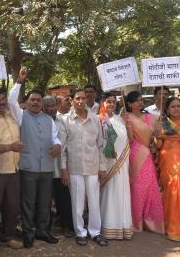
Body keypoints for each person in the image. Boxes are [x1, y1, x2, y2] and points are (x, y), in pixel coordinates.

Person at [8, 68, 61, 248]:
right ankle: (28, 232)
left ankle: (42, 231)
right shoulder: (21, 116)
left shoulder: (49, 120)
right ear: (27, 102)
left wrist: (58, 145)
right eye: (33, 100)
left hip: (46, 167)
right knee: (28, 203)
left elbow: (56, 138)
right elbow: (10, 100)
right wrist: (19, 81)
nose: (36, 103)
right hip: (28, 167)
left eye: (38, 100)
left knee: (45, 202)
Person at [59, 88, 108, 247]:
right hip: (74, 168)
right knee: (77, 203)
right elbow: (62, 147)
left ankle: (95, 232)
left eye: (83, 98)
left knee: (94, 202)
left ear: (86, 100)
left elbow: (100, 145)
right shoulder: (66, 120)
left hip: (93, 167)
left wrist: (102, 167)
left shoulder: (95, 119)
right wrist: (63, 168)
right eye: (77, 98)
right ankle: (80, 232)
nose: (81, 101)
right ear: (72, 100)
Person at [0, 88, 24, 250]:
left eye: (3, 98)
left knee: (12, 207)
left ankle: (7, 237)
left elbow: (14, 100)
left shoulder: (11, 115)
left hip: (14, 170)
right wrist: (10, 146)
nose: (2, 102)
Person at [123, 91, 164, 234]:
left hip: (147, 154)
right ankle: (136, 222)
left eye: (141, 100)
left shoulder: (151, 118)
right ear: (129, 103)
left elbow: (156, 140)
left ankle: (151, 220)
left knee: (151, 185)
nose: (140, 103)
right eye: (137, 101)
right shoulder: (126, 118)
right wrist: (127, 129)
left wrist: (158, 134)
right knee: (136, 186)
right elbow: (128, 140)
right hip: (135, 153)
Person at [98, 92, 133, 240]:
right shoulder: (98, 119)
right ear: (103, 103)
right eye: (108, 102)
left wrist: (128, 124)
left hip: (122, 162)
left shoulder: (121, 118)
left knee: (121, 191)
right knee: (108, 192)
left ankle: (123, 226)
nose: (111, 104)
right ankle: (108, 226)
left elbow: (130, 139)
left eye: (113, 102)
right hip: (106, 161)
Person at [43, 95, 74, 238]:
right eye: (48, 105)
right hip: (44, 168)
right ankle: (45, 227)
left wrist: (64, 168)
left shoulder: (63, 121)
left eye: (53, 105)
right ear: (43, 107)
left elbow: (66, 146)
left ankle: (67, 225)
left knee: (64, 197)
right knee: (45, 199)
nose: (51, 108)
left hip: (62, 167)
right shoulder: (39, 121)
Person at [155, 97, 180, 241]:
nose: (176, 109)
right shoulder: (163, 123)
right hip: (166, 159)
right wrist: (157, 135)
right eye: (173, 106)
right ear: (167, 109)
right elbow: (158, 145)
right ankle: (169, 225)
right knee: (170, 191)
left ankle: (179, 228)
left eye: (178, 106)